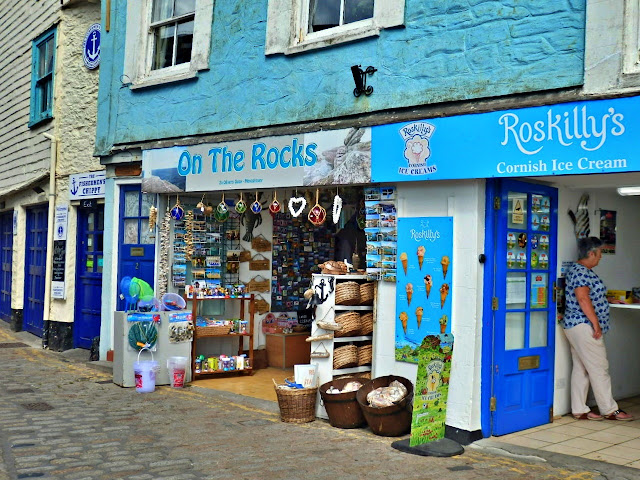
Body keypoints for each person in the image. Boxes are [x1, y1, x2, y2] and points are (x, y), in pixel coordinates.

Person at [562, 237, 633, 421]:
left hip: (576, 325)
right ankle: (609, 410)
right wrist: (595, 322)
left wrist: (608, 300)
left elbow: (591, 296)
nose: (601, 257)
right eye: (600, 253)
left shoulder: (582, 271)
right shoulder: (580, 272)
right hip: (583, 326)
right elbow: (583, 299)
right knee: (599, 367)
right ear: (591, 253)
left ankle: (579, 409)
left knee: (582, 368)